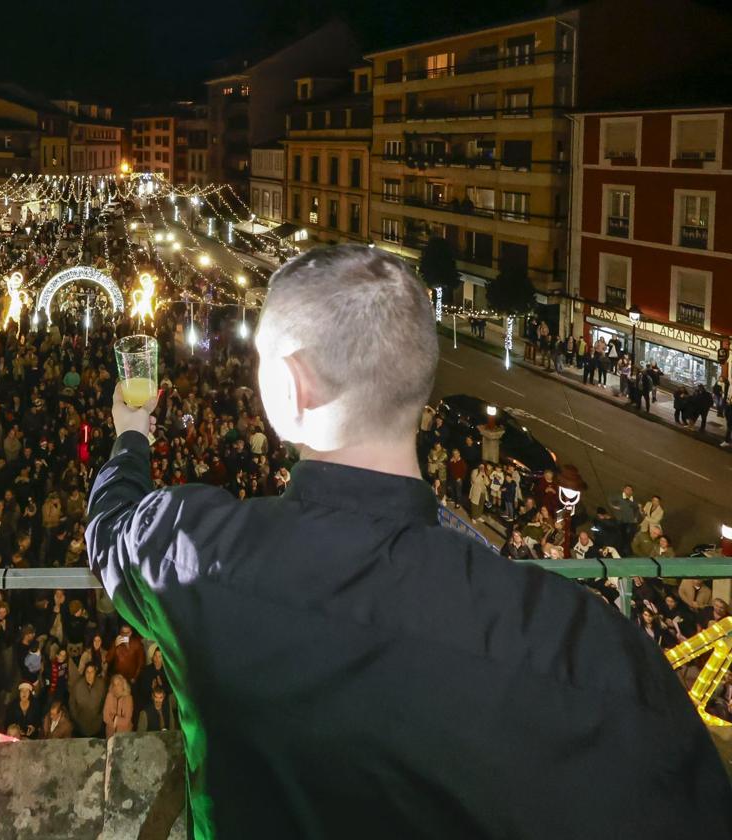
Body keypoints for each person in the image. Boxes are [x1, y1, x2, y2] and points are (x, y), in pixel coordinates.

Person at [85, 246, 732, 838]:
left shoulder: (192, 549)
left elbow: (108, 528)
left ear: (289, 389)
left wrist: (131, 433)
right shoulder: (586, 647)